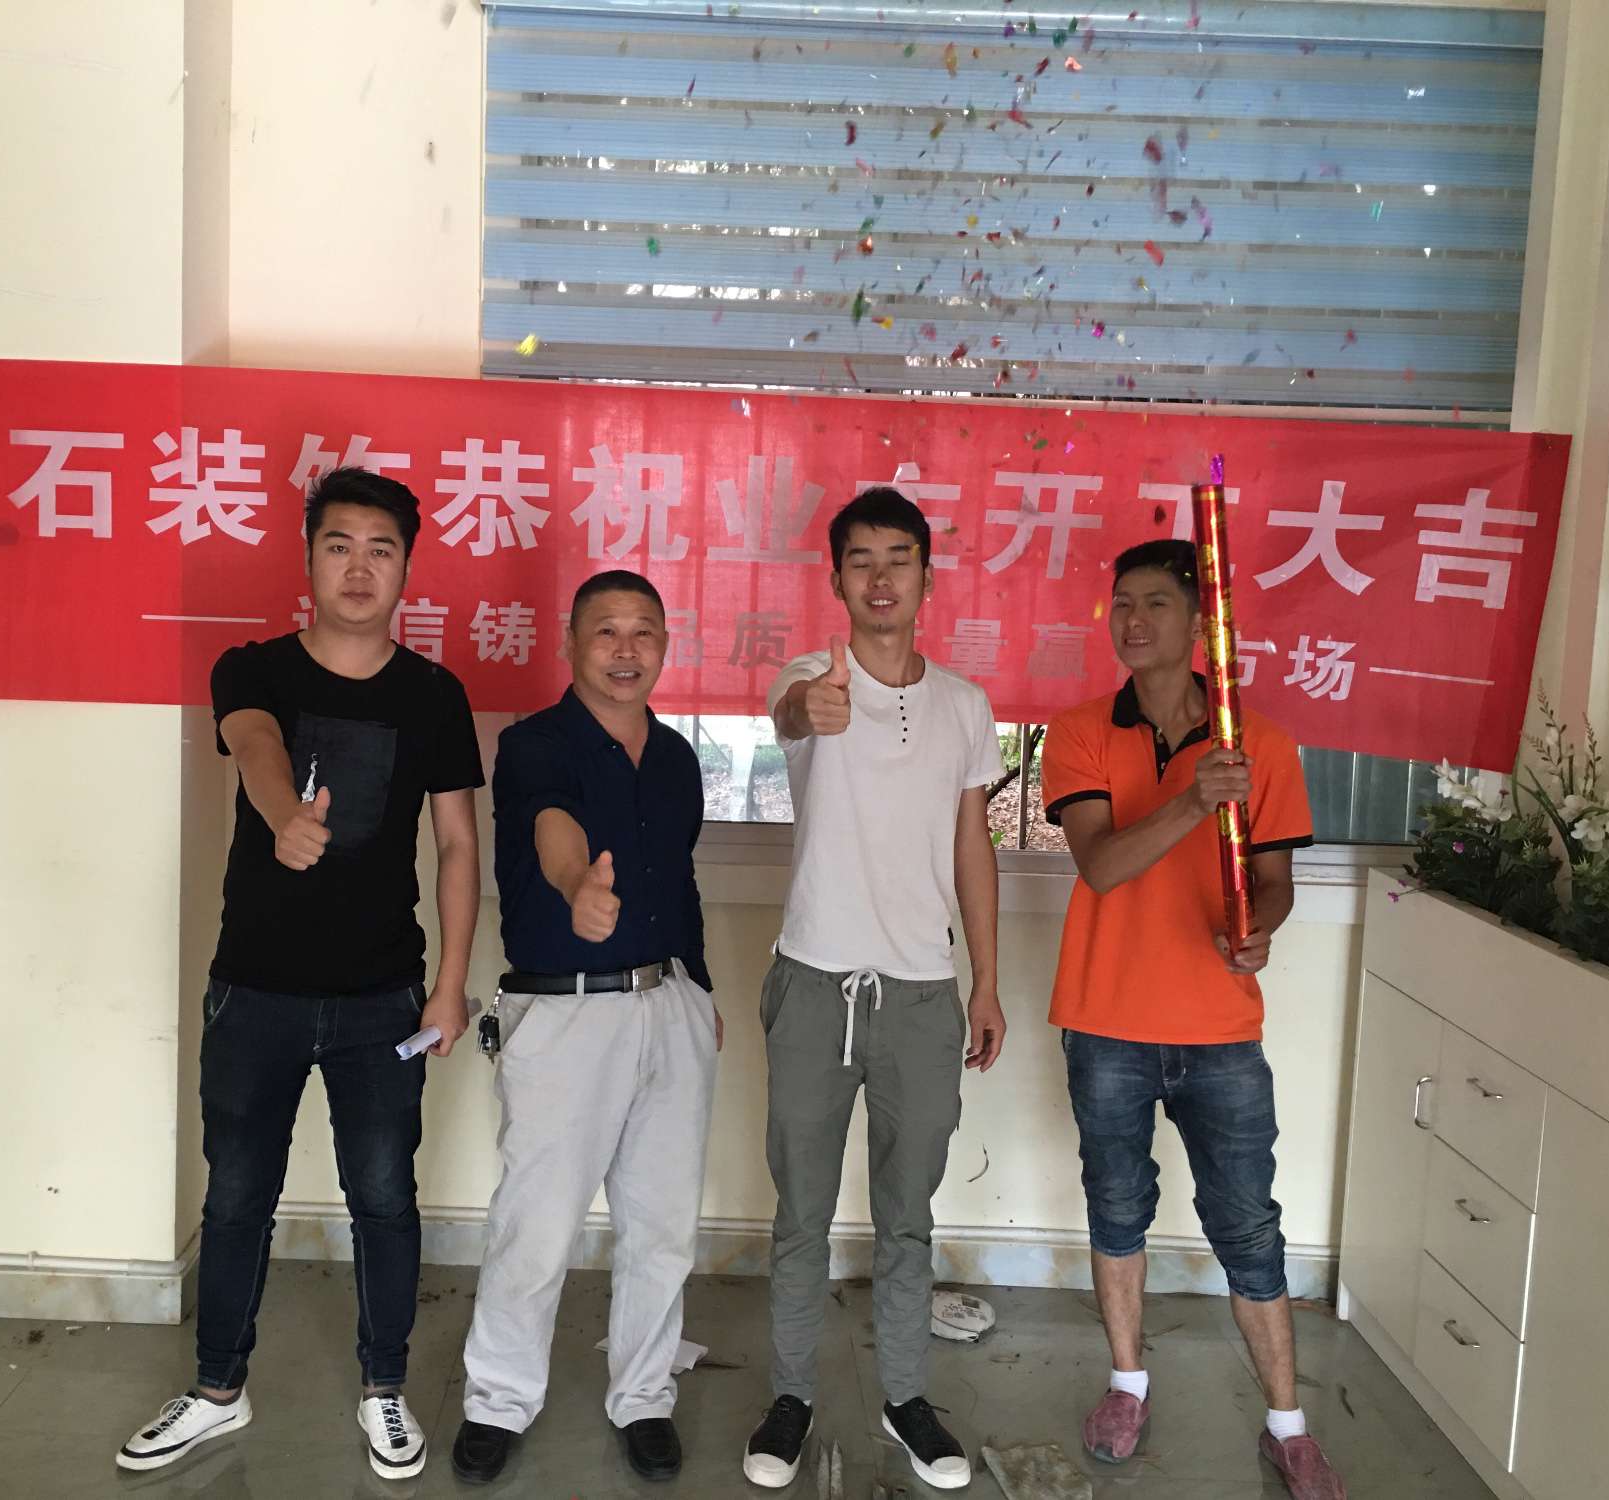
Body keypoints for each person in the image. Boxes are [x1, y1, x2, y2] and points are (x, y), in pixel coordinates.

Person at [116, 467, 483, 1481]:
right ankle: (215, 1391)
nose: (359, 568)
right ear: (308, 557)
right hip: (256, 992)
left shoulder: (433, 695)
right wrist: (283, 816)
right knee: (237, 1196)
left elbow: (459, 845)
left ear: (406, 568)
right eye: (339, 545)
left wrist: (450, 985)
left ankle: (384, 1388)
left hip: (384, 999)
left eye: (381, 549)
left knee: (384, 1198)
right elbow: (254, 744)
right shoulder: (254, 668)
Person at [1040, 538, 1344, 1500]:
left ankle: (1288, 1426)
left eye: (1156, 604)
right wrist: (1194, 796)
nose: (1133, 621)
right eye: (1121, 603)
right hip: (1107, 1019)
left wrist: (1260, 929)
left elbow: (1274, 880)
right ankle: (1127, 1384)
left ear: (1201, 622)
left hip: (1220, 1029)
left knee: (1248, 1225)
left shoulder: (1265, 745)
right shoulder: (1080, 731)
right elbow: (1101, 865)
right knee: (1117, 1205)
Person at [744, 487, 1006, 1493]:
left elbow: (972, 847)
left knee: (907, 1216)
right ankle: (790, 1397)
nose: (881, 576)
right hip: (814, 985)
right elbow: (789, 716)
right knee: (801, 1213)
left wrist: (985, 983)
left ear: (926, 577)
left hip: (922, 996)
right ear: (836, 579)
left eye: (899, 558)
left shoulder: (965, 707)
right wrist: (806, 708)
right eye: (861, 560)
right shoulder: (808, 682)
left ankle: (904, 1398)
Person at [451, 569, 720, 1487]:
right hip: (564, 1012)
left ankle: (643, 1396)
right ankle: (498, 1400)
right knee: (536, 1224)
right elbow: (552, 828)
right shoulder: (534, 744)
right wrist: (577, 888)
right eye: (606, 630)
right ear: (570, 644)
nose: (626, 649)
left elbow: (679, 878)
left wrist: (700, 991)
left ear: (665, 647)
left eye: (645, 631)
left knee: (661, 1224)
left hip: (669, 1005)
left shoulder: (677, 757)